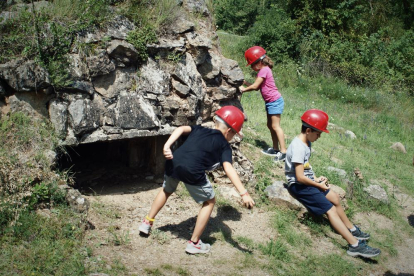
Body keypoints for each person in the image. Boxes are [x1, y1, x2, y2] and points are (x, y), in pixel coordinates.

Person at [138, 106, 255, 254]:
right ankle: (194, 243)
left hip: (174, 160)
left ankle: (147, 222)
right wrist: (244, 193)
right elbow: (228, 168)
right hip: (192, 170)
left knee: (166, 190)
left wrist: (167, 145)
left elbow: (180, 129)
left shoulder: (200, 129)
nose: (233, 137)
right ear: (229, 131)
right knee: (209, 201)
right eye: (235, 134)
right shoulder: (225, 146)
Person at [284, 109, 381, 258]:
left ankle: (352, 229)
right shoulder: (298, 147)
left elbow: (305, 167)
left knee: (335, 198)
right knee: (330, 210)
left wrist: (315, 178)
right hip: (299, 186)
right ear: (308, 130)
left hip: (308, 183)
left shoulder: (306, 142)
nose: (319, 136)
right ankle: (354, 245)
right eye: (318, 133)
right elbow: (299, 177)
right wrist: (318, 185)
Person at [239, 46, 286, 162]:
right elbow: (257, 86)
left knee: (275, 126)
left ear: (259, 62)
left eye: (252, 64)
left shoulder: (264, 70)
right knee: (270, 126)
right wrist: (245, 82)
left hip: (275, 101)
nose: (252, 67)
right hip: (271, 102)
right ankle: (275, 149)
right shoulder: (264, 70)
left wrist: (243, 89)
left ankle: (284, 152)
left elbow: (255, 86)